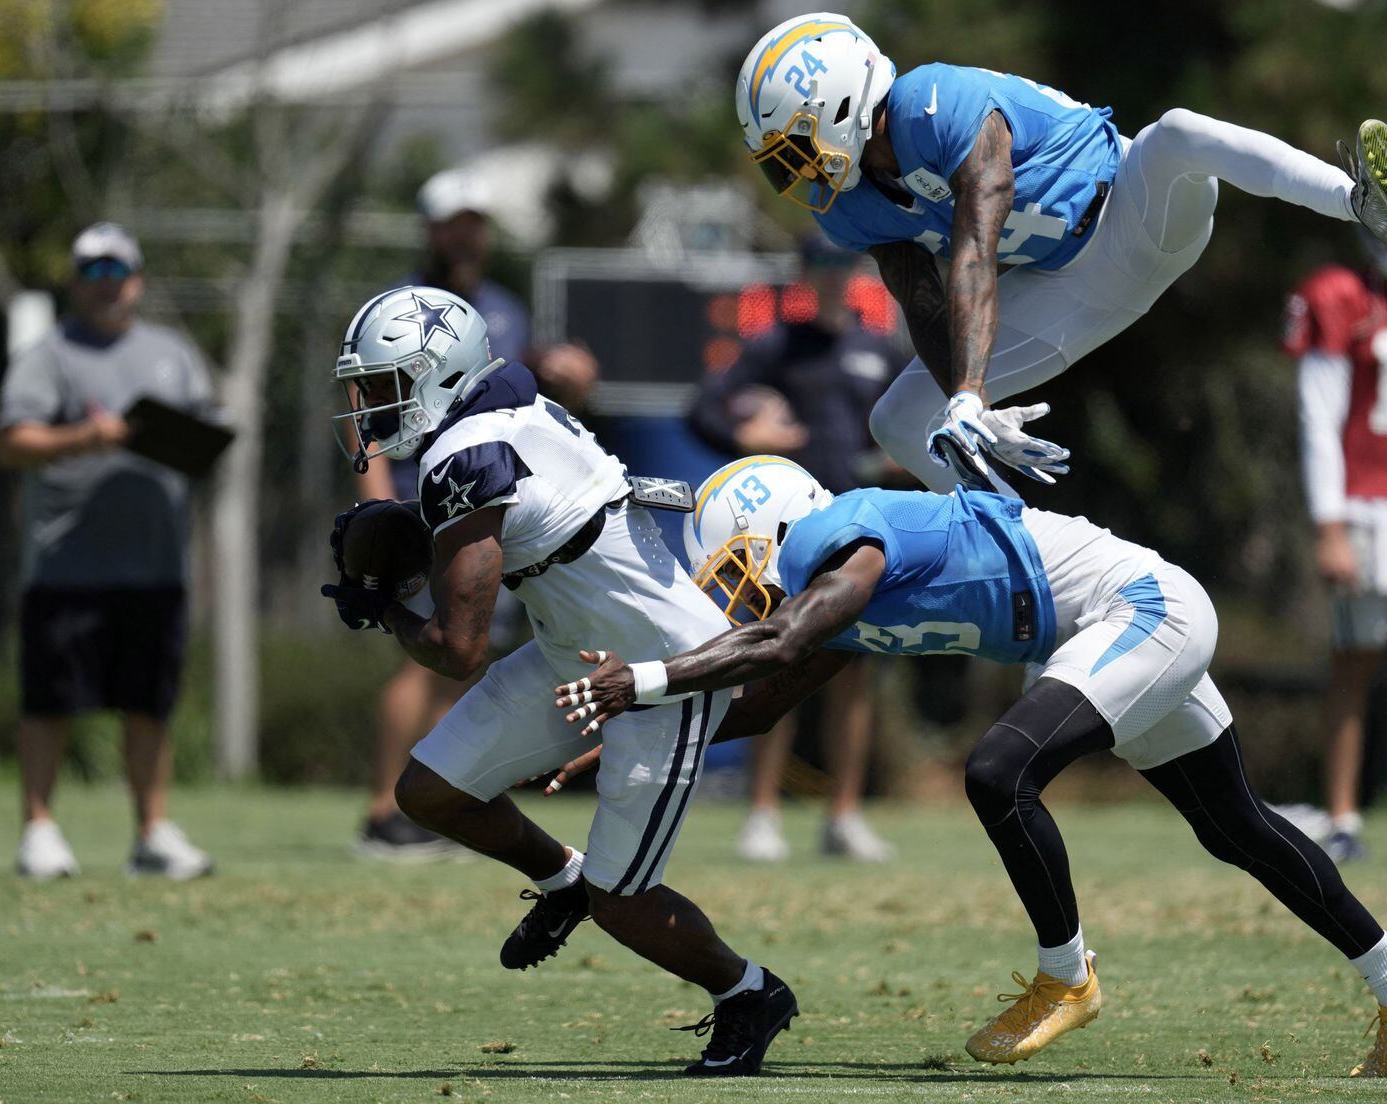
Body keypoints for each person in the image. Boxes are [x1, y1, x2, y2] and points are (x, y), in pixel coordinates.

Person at [551, 457, 1387, 1075]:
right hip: (1101, 634)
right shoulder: (828, 600)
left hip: (1140, 609)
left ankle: (1067, 979)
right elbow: (766, 699)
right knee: (1236, 827)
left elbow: (781, 639)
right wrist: (648, 727)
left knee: (996, 770)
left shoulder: (845, 533)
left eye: (737, 570)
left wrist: (646, 679)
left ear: (780, 532)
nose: (736, 600)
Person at [323, 286, 796, 1076]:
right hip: (574, 648)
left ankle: (748, 991)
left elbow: (457, 647)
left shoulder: (467, 454)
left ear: (440, 373)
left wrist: (382, 611)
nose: (372, 406)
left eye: (386, 384)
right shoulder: (507, 409)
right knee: (431, 792)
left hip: (660, 669)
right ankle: (562, 880)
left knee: (627, 903)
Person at [735, 12, 1387, 493]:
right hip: (1072, 287)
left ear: (841, 100)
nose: (795, 173)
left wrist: (967, 390)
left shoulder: (933, 104)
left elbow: (975, 243)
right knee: (899, 422)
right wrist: (972, 410)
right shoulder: (848, 207)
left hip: (1136, 211)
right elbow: (922, 300)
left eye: (794, 147)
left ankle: (1357, 201)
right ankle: (1031, 553)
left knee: (1178, 134)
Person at [354, 167, 599, 860]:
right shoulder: (403, 305)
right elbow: (362, 409)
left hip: (487, 501)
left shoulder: (505, 308)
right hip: (418, 494)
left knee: (465, 650)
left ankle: (433, 798)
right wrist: (376, 499)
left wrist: (568, 382)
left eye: (475, 223)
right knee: (421, 658)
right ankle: (382, 809)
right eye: (452, 223)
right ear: (431, 230)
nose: (465, 236)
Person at [0, 222, 216, 881]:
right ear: (74, 282)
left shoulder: (172, 353)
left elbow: (206, 429)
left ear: (137, 279)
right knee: (49, 703)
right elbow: (10, 443)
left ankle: (151, 834)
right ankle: (39, 830)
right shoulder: (48, 354)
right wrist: (87, 439)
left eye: (116, 272)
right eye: (91, 273)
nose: (105, 285)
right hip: (67, 566)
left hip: (156, 564)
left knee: (149, 704)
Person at [690, 233, 905, 862]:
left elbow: (916, 420)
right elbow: (702, 409)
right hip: (788, 531)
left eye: (843, 262)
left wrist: (902, 458)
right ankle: (762, 814)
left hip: (864, 526)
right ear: (804, 273)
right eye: (822, 263)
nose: (834, 274)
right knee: (773, 664)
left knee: (853, 671)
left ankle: (844, 815)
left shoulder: (877, 350)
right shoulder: (776, 346)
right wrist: (745, 432)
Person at [1284, 228, 1387, 862]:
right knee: (1357, 659)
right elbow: (1317, 416)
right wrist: (1329, 528)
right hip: (1365, 504)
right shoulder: (1339, 295)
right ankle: (1345, 814)